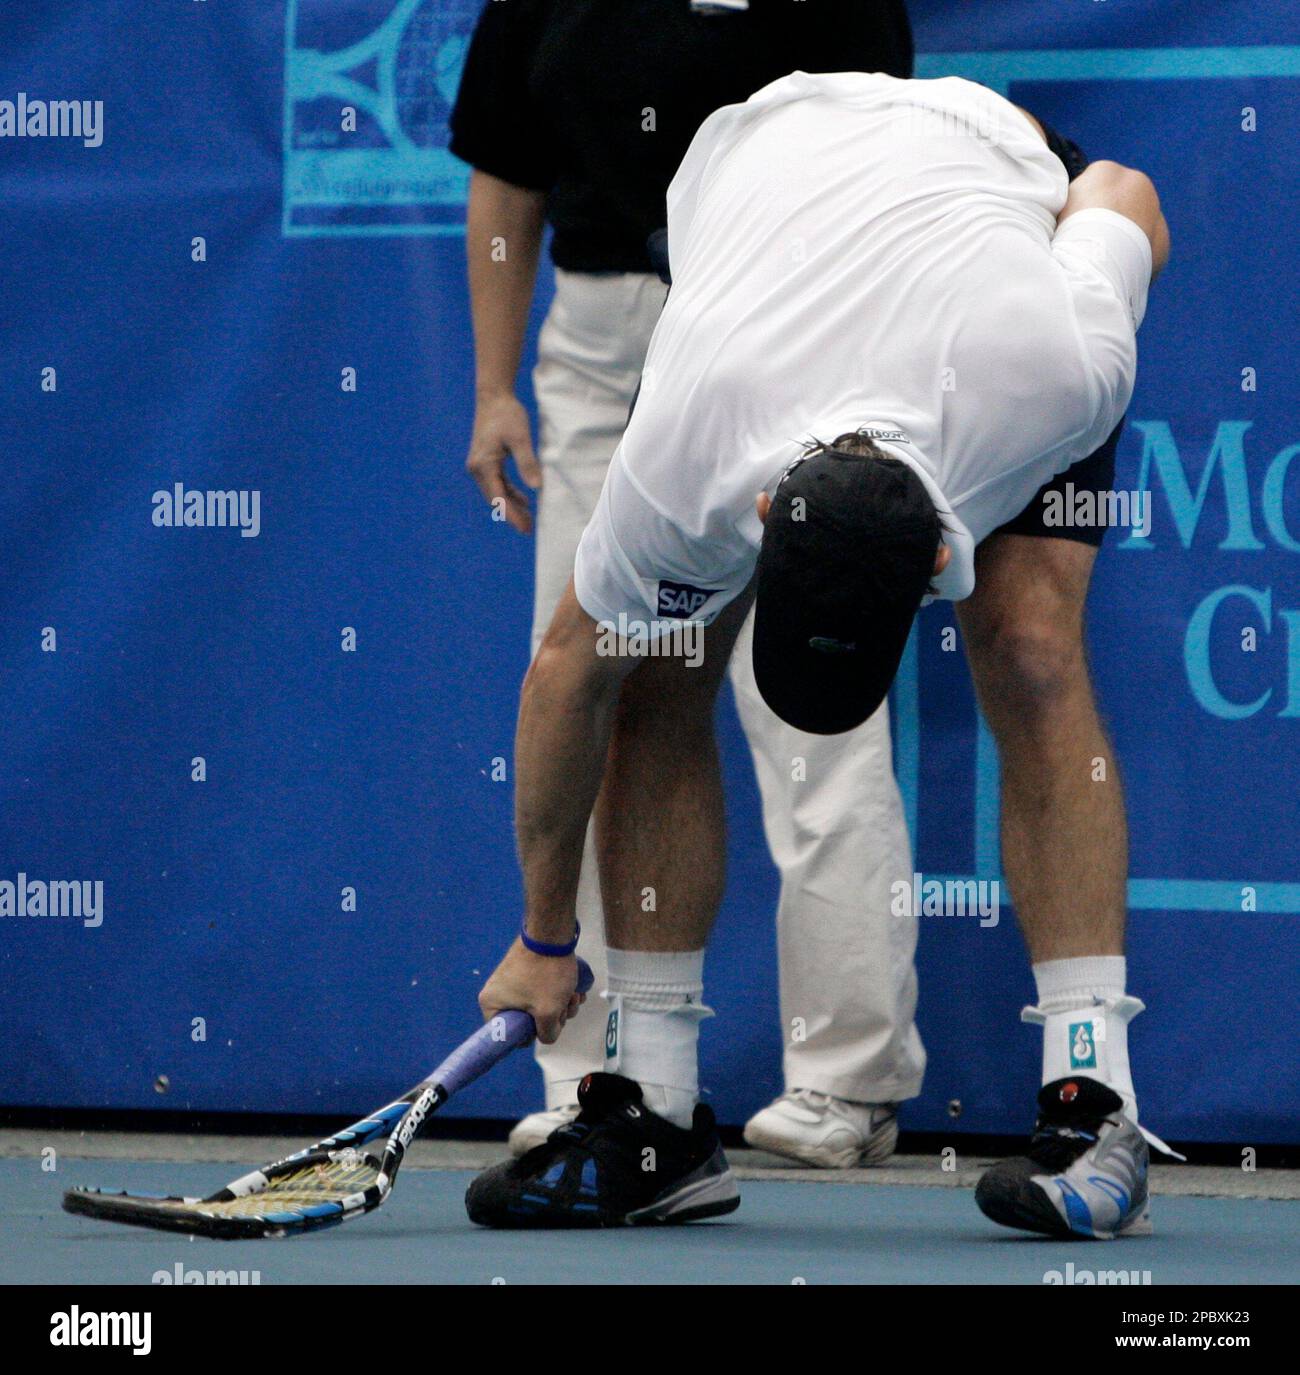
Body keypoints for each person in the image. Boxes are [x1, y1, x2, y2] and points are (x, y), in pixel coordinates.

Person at [466, 70, 1172, 1239]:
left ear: (948, 540)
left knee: (1031, 646)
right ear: (752, 516)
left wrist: (1061, 227)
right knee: (654, 665)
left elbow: (1119, 191)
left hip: (981, 194)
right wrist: (544, 940)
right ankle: (651, 1113)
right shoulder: (693, 446)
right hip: (761, 196)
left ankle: (1094, 1105)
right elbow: (565, 673)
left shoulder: (1051, 366)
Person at [450, 0, 922, 1167]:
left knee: (815, 713)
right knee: (597, 694)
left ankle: (846, 1078)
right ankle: (598, 1077)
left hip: (788, 339)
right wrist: (492, 384)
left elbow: (871, 164)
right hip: (599, 354)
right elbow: (508, 185)